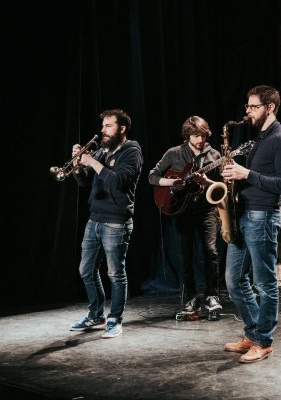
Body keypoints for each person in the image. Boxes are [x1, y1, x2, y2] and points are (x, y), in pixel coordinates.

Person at [220, 85, 281, 363]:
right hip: (244, 215)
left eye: (253, 107)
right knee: (234, 280)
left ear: (270, 107)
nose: (247, 112)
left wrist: (246, 173)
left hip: (263, 217)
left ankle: (264, 342)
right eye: (248, 106)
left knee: (265, 284)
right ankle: (253, 333)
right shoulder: (261, 138)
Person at [69, 109, 143, 338]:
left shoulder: (132, 150)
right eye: (103, 126)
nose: (103, 130)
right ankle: (96, 313)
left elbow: (119, 181)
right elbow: (84, 183)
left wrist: (92, 161)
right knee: (86, 271)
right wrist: (78, 167)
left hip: (117, 222)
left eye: (109, 126)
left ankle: (115, 318)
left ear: (122, 128)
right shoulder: (101, 151)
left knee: (115, 273)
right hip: (95, 218)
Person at [147, 116, 223, 316]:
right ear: (187, 135)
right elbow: (152, 176)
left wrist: (206, 182)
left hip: (207, 209)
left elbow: (222, 185)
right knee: (185, 256)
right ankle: (191, 298)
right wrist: (171, 183)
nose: (200, 139)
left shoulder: (215, 155)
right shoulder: (174, 153)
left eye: (203, 135)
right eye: (196, 135)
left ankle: (212, 295)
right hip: (182, 210)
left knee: (211, 252)